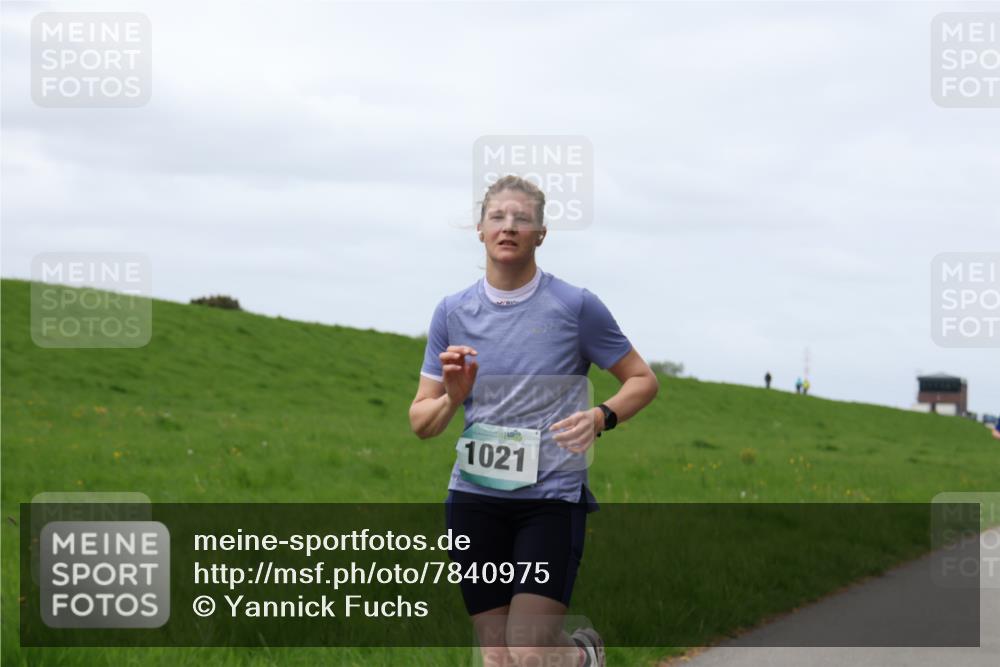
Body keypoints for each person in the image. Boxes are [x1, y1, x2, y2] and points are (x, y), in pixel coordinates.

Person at [409, 175, 659, 667]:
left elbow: (642, 380)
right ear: (479, 229)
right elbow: (422, 421)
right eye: (498, 217)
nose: (509, 227)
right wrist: (451, 399)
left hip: (550, 499)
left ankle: (584, 656)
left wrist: (601, 415)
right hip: (474, 499)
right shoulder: (452, 312)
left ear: (541, 233)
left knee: (527, 651)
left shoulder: (575, 307)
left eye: (522, 219)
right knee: (498, 656)